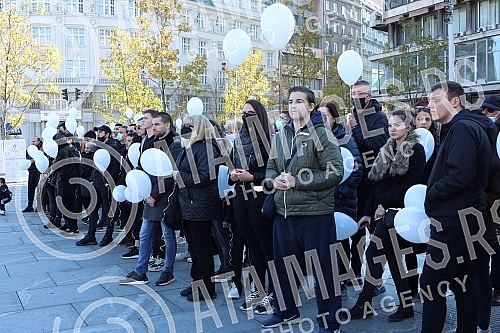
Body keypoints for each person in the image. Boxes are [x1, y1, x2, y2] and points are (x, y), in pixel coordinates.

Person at [263, 86, 343, 333]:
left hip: (315, 214)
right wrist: (272, 182)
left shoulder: (323, 135)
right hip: (284, 213)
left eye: (299, 101)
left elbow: (335, 172)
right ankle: (285, 310)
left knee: (324, 271)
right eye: (290, 101)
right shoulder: (280, 136)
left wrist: (299, 181)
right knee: (283, 268)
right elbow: (270, 170)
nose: (293, 105)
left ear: (311, 107)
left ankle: (330, 322)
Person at [420, 81, 493, 333]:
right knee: (464, 283)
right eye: (428, 100)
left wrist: (432, 195)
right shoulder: (463, 127)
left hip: (454, 221)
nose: (429, 105)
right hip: (467, 218)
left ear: (455, 101)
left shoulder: (462, 128)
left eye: (435, 99)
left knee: (430, 283)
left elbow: (461, 175)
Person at [345, 110, 426, 322]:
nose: (392, 128)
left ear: (408, 127)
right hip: (383, 214)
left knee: (373, 255)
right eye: (390, 125)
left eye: (397, 125)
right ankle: (405, 305)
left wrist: (385, 205)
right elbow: (376, 185)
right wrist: (368, 213)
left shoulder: (415, 150)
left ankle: (364, 304)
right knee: (391, 257)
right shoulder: (386, 149)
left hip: (400, 213)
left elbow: (412, 183)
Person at [119, 112, 182, 285]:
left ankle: (168, 271)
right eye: (152, 124)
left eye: (157, 125)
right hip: (149, 195)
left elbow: (170, 175)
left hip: (165, 196)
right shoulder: (151, 141)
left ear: (167, 125)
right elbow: (144, 167)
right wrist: (142, 189)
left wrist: (154, 194)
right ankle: (141, 271)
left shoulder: (175, 145)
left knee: (168, 236)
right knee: (145, 234)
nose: (153, 127)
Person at [229, 100, 274, 314]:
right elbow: (230, 164)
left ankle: (274, 291)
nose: (246, 117)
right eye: (244, 113)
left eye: (251, 113)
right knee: (252, 246)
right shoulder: (239, 140)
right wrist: (233, 174)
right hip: (240, 197)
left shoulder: (269, 141)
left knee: (267, 246)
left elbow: (273, 174)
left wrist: (253, 177)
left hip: (259, 197)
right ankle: (258, 287)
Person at [317, 102, 363, 300]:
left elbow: (356, 169)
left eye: (325, 115)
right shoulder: (315, 140)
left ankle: (342, 282)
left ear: (333, 118)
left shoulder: (345, 140)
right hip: (321, 201)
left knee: (341, 242)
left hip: (341, 201)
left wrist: (341, 190)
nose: (321, 119)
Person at [346, 80, 389, 291]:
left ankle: (377, 280)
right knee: (355, 233)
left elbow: (375, 146)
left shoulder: (379, 118)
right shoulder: (353, 116)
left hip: (373, 182)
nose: (356, 97)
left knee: (375, 232)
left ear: (369, 96)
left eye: (360, 93)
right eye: (354, 93)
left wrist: (355, 130)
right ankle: (354, 274)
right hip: (356, 182)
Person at [174, 114, 222, 302]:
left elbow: (205, 177)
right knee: (194, 247)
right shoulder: (190, 147)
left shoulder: (206, 148)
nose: (185, 128)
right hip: (190, 204)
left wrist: (179, 177)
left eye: (189, 126)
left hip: (201, 204)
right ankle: (197, 282)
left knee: (202, 249)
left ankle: (207, 288)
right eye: (184, 125)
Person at [76, 125, 120, 246]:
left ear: (107, 134)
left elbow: (115, 167)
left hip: (106, 184)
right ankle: (91, 236)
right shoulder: (99, 147)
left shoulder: (112, 146)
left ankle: (108, 236)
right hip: (96, 182)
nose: (98, 134)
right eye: (98, 132)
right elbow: (96, 165)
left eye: (101, 132)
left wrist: (110, 182)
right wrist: (92, 179)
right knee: (92, 210)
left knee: (108, 210)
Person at [481, 96, 500, 310]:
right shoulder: (482, 131)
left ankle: (497, 288)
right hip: (485, 200)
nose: (487, 113)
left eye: (491, 110)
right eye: (484, 109)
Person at [23, 137, 42, 212]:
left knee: (39, 191)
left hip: (38, 172)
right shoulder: (30, 150)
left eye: (34, 141)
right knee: (30, 189)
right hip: (31, 172)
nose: (33, 142)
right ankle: (30, 205)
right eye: (32, 141)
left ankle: (40, 206)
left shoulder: (41, 149)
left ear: (38, 141)